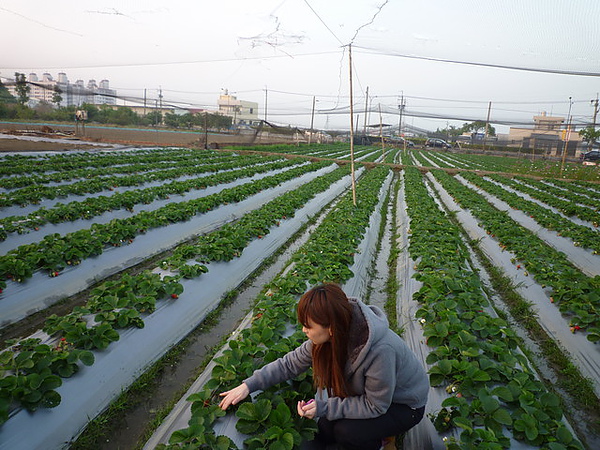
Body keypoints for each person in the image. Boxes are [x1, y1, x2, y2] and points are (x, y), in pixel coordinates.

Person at [219, 283, 429, 450]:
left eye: (308, 326)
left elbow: (375, 406)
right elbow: (289, 364)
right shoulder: (328, 339)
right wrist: (248, 385)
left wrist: (325, 407)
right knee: (326, 428)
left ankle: (381, 443)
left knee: (346, 432)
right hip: (376, 398)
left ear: (331, 328)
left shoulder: (380, 351)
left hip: (403, 405)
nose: (303, 330)